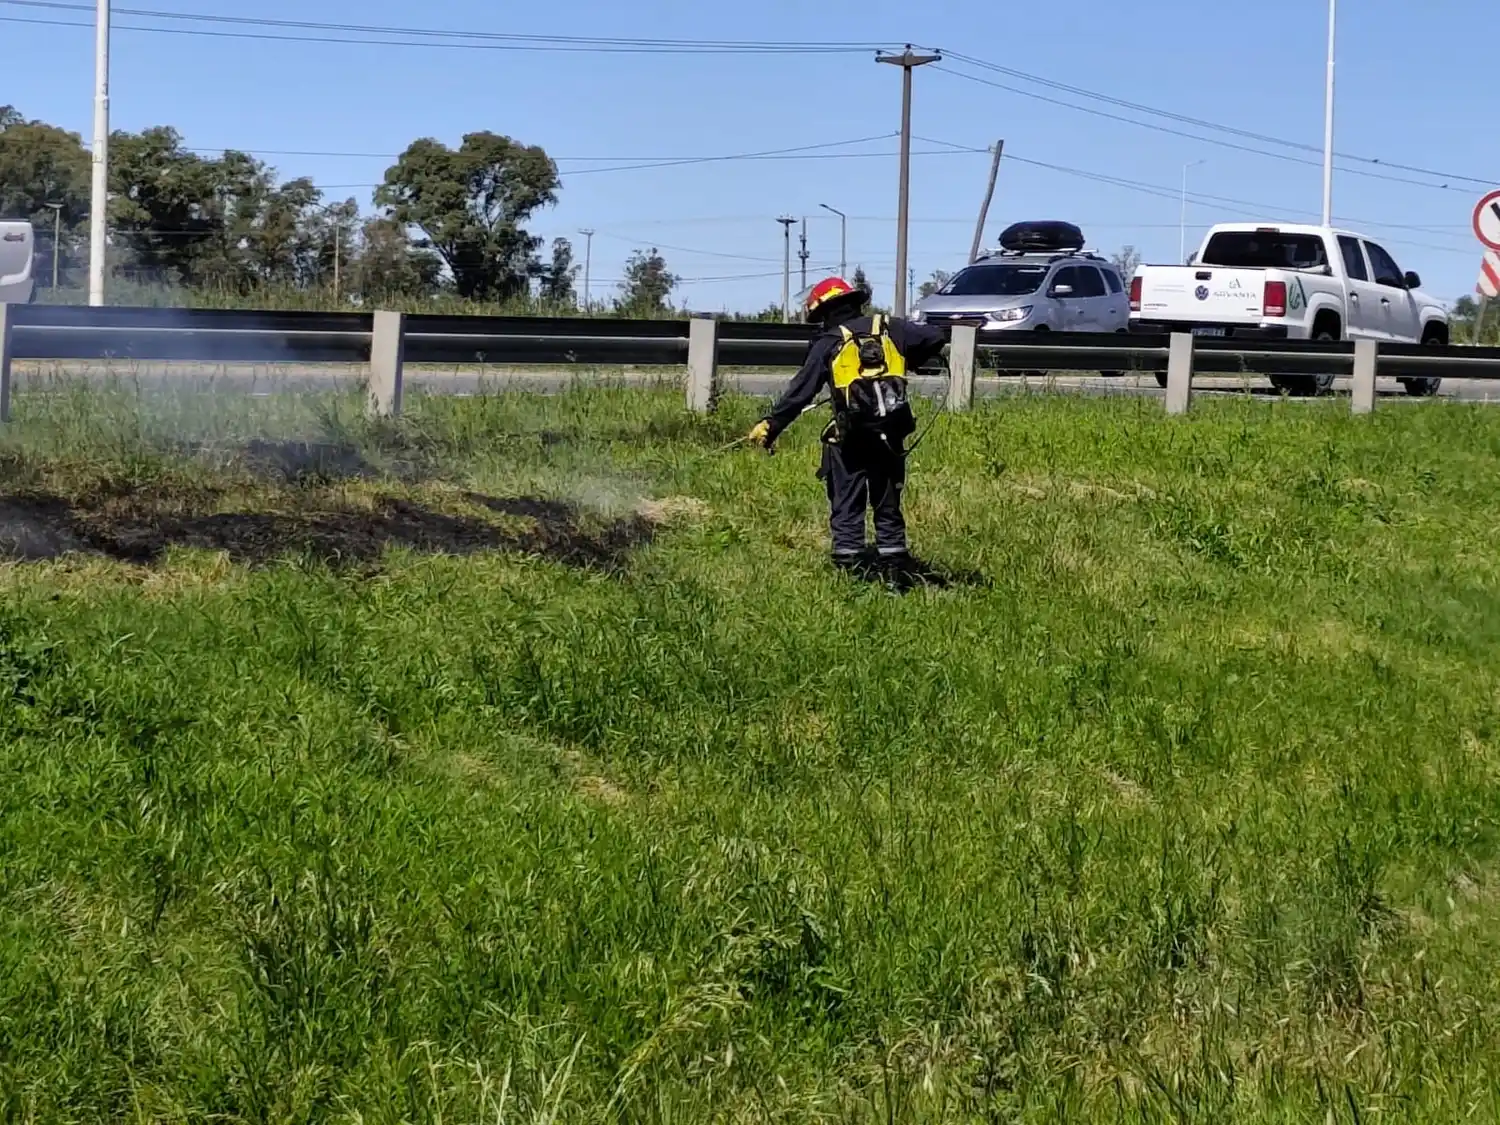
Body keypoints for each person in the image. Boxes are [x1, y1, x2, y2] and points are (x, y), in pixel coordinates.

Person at [746, 276, 948, 576]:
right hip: (890, 434)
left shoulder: (829, 341)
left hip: (849, 439)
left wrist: (771, 425)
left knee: (847, 503)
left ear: (825, 312)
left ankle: (850, 572)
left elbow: (801, 391)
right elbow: (934, 336)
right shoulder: (890, 328)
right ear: (854, 302)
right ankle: (895, 573)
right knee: (887, 503)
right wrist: (907, 357)